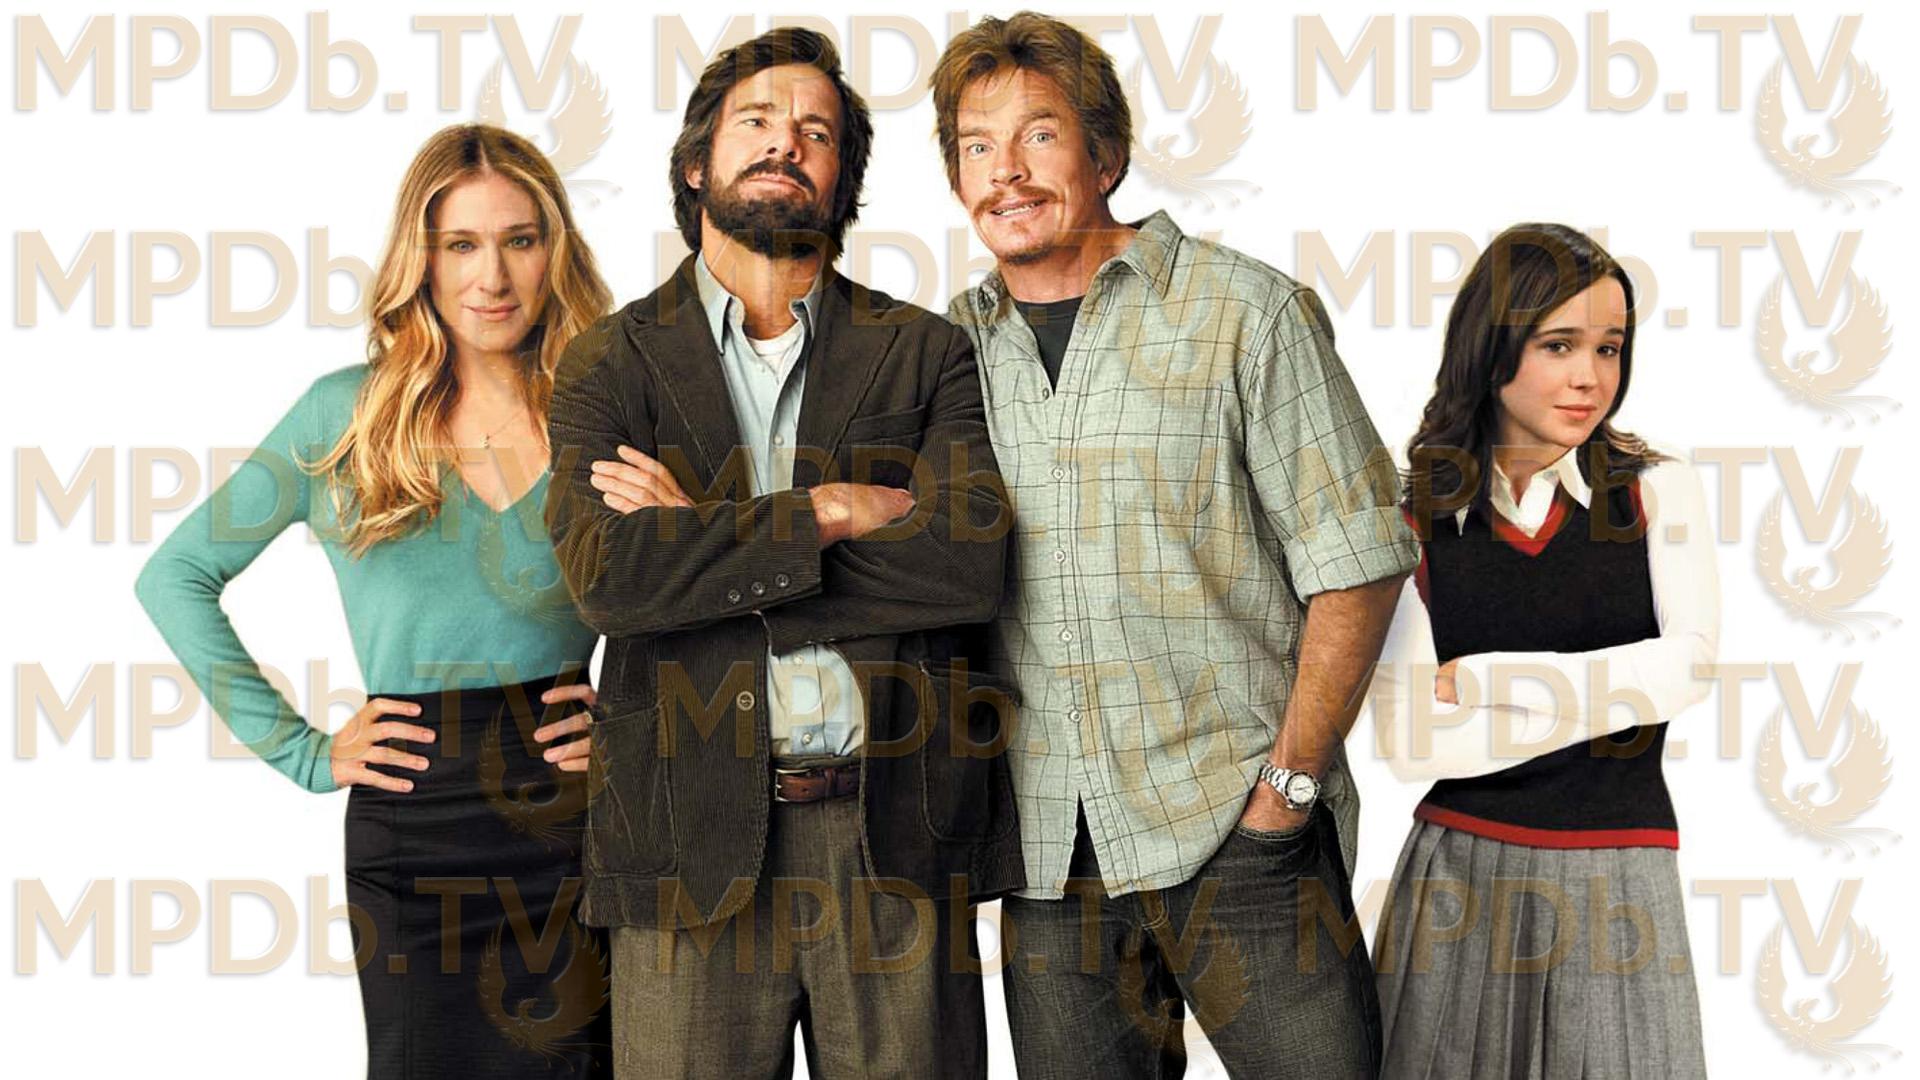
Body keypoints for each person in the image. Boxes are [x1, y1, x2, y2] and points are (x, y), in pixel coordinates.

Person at [930, 13, 1418, 1077]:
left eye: (1039, 135)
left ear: (1106, 154)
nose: (1006, 172)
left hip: (1242, 835)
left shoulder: (1246, 313)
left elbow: (1360, 561)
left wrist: (1286, 792)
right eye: (976, 145)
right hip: (1050, 860)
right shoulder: (945, 351)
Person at [542, 27, 1020, 1079]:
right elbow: (614, 580)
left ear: (842, 177)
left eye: (816, 131)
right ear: (695, 164)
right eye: (755, 121)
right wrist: (826, 512)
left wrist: (702, 542)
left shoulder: (925, 350)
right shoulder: (609, 362)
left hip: (890, 841)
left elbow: (965, 565)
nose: (785, 143)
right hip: (682, 839)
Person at [134, 124, 615, 1078]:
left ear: (554, 252)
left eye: (519, 240)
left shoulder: (602, 413)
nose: (492, 276)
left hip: (573, 819)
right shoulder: (344, 414)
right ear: (422, 261)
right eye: (461, 244)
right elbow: (175, 577)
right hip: (412, 821)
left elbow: (699, 589)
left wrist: (639, 725)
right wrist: (304, 751)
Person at [1366, 223, 1717, 1077]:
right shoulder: (1409, 515)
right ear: (1492, 348)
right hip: (1457, 877)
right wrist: (1624, 690)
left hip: (1623, 876)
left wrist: (1490, 680)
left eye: (1609, 347)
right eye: (1559, 345)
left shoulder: (1655, 490)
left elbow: (1689, 669)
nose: (1591, 376)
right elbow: (1413, 745)